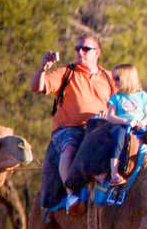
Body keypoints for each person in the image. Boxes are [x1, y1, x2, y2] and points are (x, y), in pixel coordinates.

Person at [31, 34, 117, 215]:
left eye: (85, 49)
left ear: (97, 52)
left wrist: (109, 115)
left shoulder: (109, 77)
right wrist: (42, 69)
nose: (80, 52)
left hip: (99, 127)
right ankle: (71, 196)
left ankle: (116, 190)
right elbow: (38, 87)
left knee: (123, 143)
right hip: (69, 128)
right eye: (78, 49)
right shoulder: (66, 72)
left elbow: (121, 102)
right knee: (69, 147)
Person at [100, 64, 147, 185]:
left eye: (117, 78)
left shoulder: (143, 96)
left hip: (140, 128)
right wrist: (126, 121)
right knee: (118, 138)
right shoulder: (116, 97)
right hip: (123, 127)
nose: (114, 81)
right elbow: (110, 117)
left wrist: (142, 123)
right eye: (113, 78)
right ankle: (114, 173)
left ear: (127, 79)